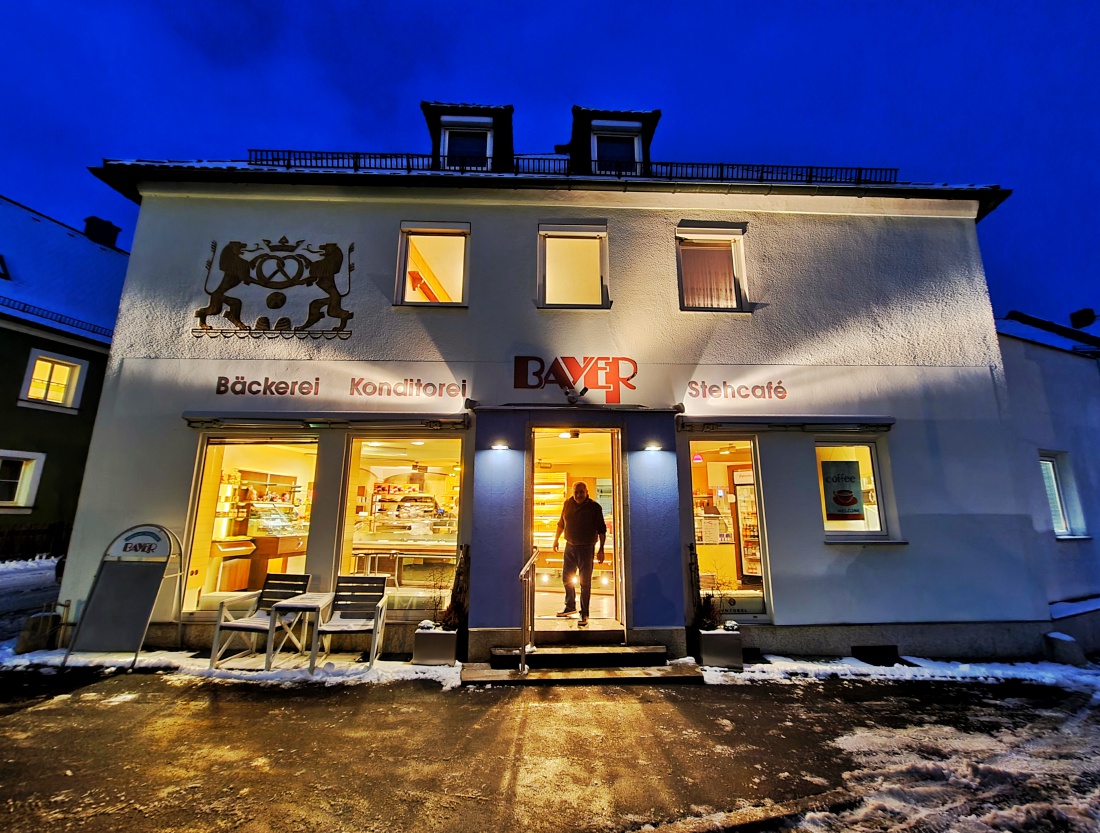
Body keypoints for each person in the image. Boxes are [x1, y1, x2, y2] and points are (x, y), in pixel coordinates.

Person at [552, 480, 607, 628]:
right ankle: (570, 606)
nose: (578, 495)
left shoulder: (595, 507)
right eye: (576, 492)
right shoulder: (567, 504)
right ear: (572, 492)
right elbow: (561, 523)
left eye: (581, 492)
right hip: (569, 547)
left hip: (586, 549)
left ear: (587, 492)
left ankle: (585, 613)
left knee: (585, 582)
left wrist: (601, 549)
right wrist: (556, 539)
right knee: (566, 578)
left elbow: (602, 530)